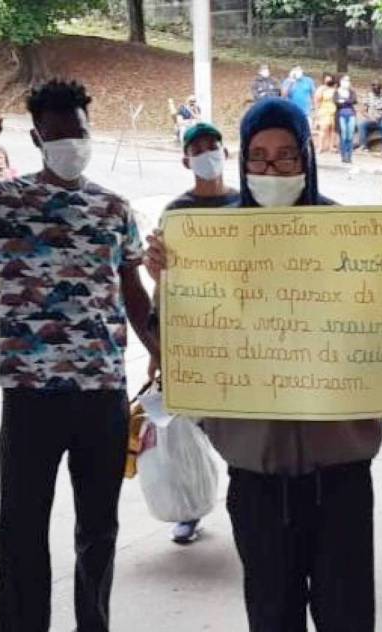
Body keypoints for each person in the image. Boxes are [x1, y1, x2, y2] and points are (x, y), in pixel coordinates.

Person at [144, 97, 382, 632]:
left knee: (347, 613)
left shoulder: (353, 237)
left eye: (286, 156)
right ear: (243, 163)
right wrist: (165, 281)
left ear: (307, 156)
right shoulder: (208, 241)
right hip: (256, 477)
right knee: (271, 613)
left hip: (342, 475)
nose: (271, 169)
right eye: (258, 157)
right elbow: (178, 339)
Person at [0, 81, 159, 632]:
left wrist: (158, 348)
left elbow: (133, 290)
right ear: (38, 138)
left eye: (80, 132)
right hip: (30, 398)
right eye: (60, 134)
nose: (72, 143)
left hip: (102, 394)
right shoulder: (4, 202)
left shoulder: (113, 208)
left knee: (99, 531)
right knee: (24, 532)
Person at [157, 122, 240, 545]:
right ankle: (190, 510)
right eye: (197, 148)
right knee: (192, 430)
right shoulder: (176, 214)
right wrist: (159, 350)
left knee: (241, 432)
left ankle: (248, 513)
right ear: (185, 160)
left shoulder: (249, 206)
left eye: (213, 146)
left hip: (243, 339)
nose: (206, 153)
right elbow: (164, 284)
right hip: (194, 337)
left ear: (224, 153)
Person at [358, 81, 382, 154]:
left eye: (378, 89)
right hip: (370, 119)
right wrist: (370, 117)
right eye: (374, 89)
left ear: (381, 89)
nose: (376, 91)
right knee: (361, 125)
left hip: (381, 119)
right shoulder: (368, 96)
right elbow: (363, 110)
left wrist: (381, 116)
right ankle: (363, 146)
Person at [334, 75, 359, 164]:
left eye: (348, 80)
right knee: (343, 136)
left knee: (350, 136)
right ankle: (343, 155)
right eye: (344, 80)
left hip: (351, 115)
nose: (346, 82)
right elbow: (336, 102)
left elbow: (354, 100)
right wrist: (346, 101)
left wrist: (343, 100)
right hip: (341, 115)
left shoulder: (352, 91)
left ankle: (349, 156)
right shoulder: (337, 91)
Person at [314, 73, 338, 154]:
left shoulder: (335, 89)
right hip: (324, 110)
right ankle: (320, 146)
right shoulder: (321, 88)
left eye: (330, 79)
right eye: (327, 79)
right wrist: (317, 112)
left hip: (334, 110)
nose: (328, 80)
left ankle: (331, 146)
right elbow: (317, 100)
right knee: (323, 129)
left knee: (333, 129)